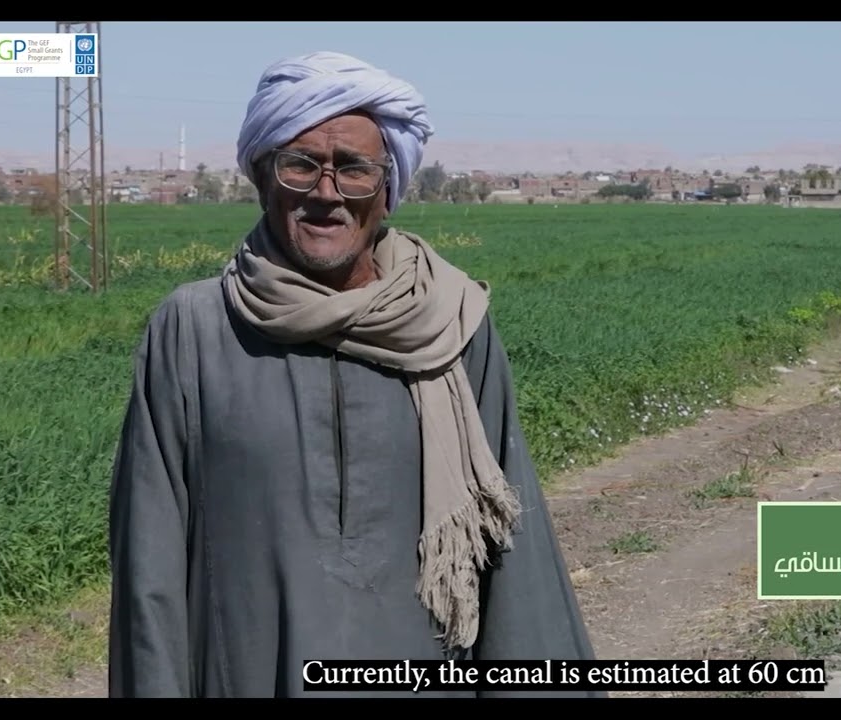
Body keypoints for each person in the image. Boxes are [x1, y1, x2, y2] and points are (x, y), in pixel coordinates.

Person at [107, 50, 600, 698]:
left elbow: (509, 556)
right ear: (262, 174)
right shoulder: (193, 332)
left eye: (354, 170)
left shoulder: (453, 326)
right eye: (301, 164)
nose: (326, 194)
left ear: (387, 187)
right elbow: (150, 572)